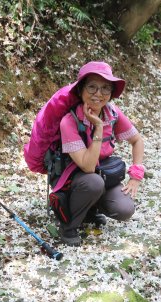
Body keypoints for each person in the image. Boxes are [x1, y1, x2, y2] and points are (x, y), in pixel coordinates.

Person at [56, 61, 145, 246]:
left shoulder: (112, 113)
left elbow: (137, 141)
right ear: (81, 90)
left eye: (106, 88)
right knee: (93, 182)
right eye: (92, 87)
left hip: (102, 175)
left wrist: (136, 175)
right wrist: (98, 126)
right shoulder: (69, 122)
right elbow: (87, 167)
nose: (99, 94)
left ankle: (90, 210)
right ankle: (69, 226)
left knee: (125, 209)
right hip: (77, 178)